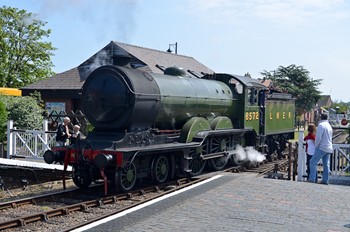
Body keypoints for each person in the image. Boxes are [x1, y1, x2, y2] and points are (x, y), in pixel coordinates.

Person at [308, 113, 333, 184]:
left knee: (313, 162)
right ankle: (325, 180)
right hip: (329, 147)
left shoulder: (321, 125)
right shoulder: (329, 126)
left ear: (320, 118)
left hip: (322, 147)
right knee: (326, 164)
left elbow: (318, 137)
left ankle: (312, 178)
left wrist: (316, 145)